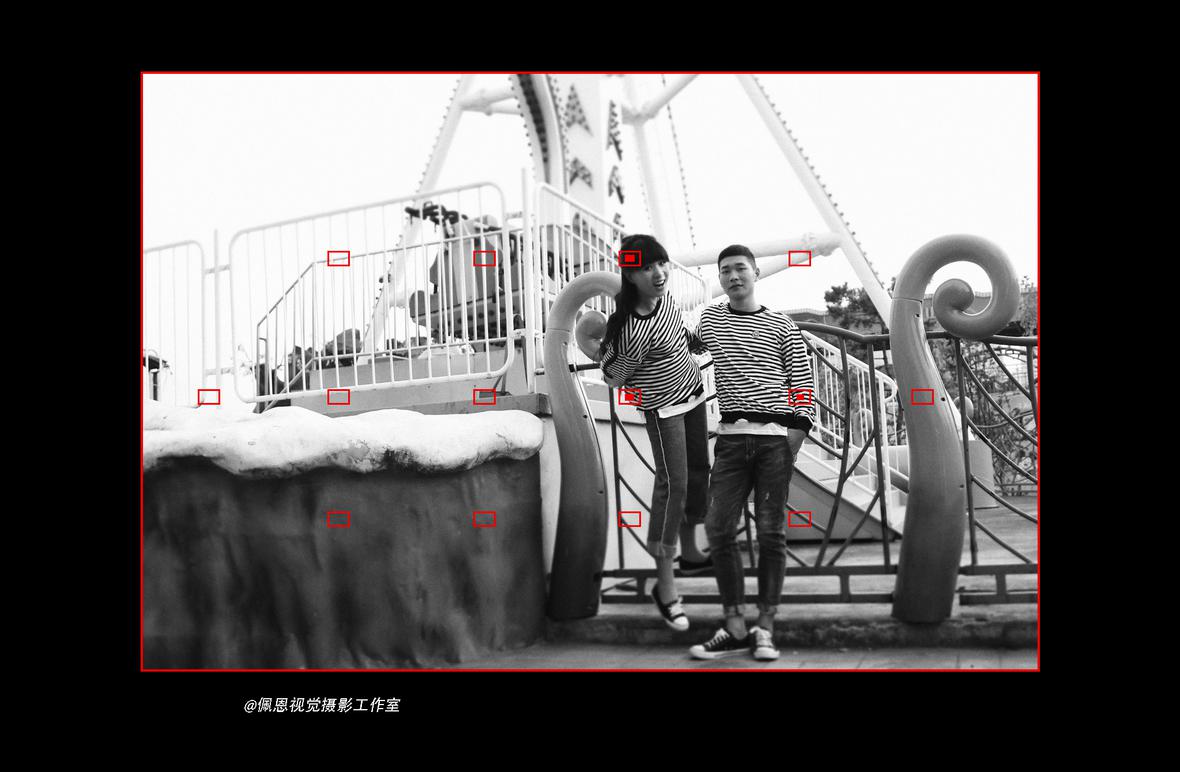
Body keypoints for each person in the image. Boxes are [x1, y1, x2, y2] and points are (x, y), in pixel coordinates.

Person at [687, 244, 816, 660]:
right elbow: (683, 346)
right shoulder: (711, 319)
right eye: (725, 270)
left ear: (756, 273)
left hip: (774, 442)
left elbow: (802, 383)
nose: (733, 276)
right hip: (729, 441)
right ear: (720, 279)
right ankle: (734, 625)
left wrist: (796, 434)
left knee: (771, 533)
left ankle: (766, 627)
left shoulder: (782, 325)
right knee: (718, 528)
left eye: (740, 268)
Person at [588, 234, 712, 631]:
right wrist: (598, 349)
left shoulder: (667, 300)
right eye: (646, 268)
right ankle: (665, 584)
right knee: (673, 486)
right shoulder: (630, 329)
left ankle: (691, 553)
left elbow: (679, 336)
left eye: (662, 263)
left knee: (699, 473)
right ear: (629, 275)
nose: (658, 273)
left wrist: (701, 341)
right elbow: (613, 377)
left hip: (694, 395)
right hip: (663, 410)